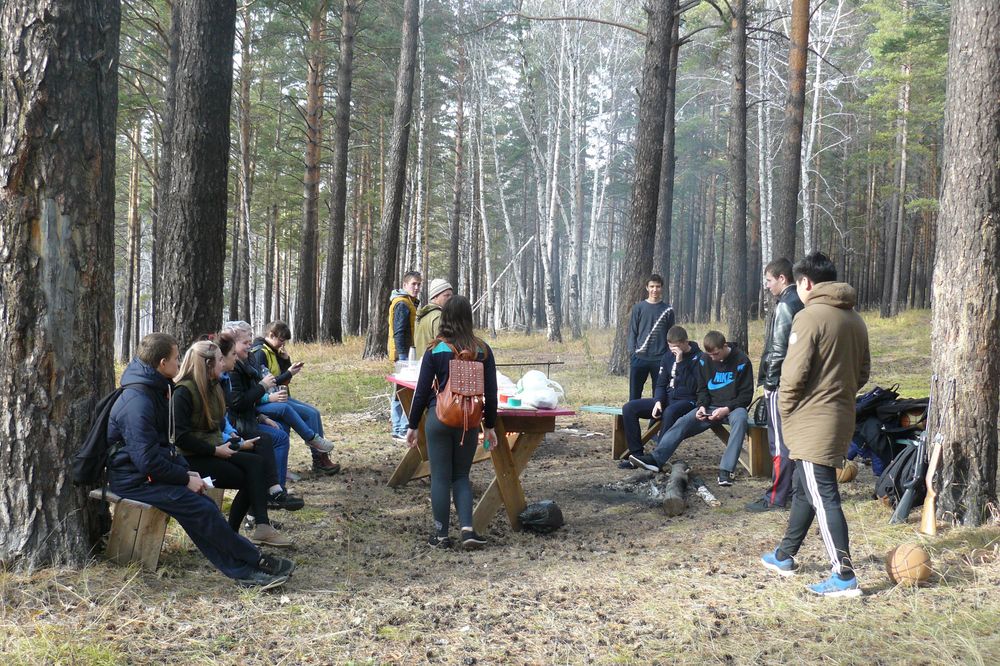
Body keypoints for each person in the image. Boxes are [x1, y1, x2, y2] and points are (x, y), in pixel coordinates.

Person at [106, 333, 294, 589]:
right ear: (162, 363)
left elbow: (163, 447)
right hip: (133, 480)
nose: (179, 361)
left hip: (147, 473)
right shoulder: (138, 402)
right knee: (201, 508)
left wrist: (186, 472)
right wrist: (184, 477)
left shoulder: (154, 390)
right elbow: (147, 459)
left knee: (203, 506)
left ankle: (246, 565)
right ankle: (250, 564)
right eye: (175, 357)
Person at [760, 252, 870, 598]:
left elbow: (792, 376)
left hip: (811, 421)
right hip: (840, 417)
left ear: (805, 282)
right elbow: (863, 373)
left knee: (823, 495)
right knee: (805, 489)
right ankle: (785, 555)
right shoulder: (855, 319)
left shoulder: (808, 317)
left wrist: (787, 411)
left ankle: (843, 574)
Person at [172, 340, 292, 548]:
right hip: (191, 459)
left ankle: (251, 530)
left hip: (213, 450)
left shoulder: (215, 386)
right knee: (252, 475)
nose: (224, 363)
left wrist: (236, 442)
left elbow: (218, 427)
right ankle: (235, 535)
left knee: (257, 464)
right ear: (208, 364)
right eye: (220, 360)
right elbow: (180, 438)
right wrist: (216, 450)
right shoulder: (183, 391)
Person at [405, 295, 498, 550]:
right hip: (468, 422)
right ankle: (467, 530)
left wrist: (412, 425)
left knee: (440, 477)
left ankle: (441, 535)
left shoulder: (436, 349)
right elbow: (491, 393)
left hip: (439, 418)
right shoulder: (482, 350)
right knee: (461, 475)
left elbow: (421, 392)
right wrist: (489, 426)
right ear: (468, 318)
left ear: (445, 318)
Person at [630, 330, 754, 486]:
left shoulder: (742, 361)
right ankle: (656, 459)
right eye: (710, 355)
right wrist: (702, 406)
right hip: (710, 406)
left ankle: (726, 470)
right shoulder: (704, 360)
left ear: (724, 346)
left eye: (716, 354)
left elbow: (746, 395)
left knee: (741, 419)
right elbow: (701, 389)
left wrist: (727, 409)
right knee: (683, 421)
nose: (713, 358)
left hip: (734, 407)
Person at [219, 325, 304, 511]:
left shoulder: (246, 361)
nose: (249, 345)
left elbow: (249, 401)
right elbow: (237, 403)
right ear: (232, 345)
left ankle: (273, 493)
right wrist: (264, 389)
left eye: (250, 341)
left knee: (284, 425)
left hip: (248, 419)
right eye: (245, 342)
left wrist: (261, 417)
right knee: (278, 435)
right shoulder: (233, 369)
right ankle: (275, 491)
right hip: (237, 427)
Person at [746, 258, 805, 512]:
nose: (767, 286)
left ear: (782, 278)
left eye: (769, 280)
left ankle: (776, 497)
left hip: (781, 383)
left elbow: (778, 350)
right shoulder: (802, 301)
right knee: (793, 439)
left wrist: (770, 383)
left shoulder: (785, 305)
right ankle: (794, 490)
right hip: (797, 381)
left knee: (779, 441)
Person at [251, 320, 341, 476]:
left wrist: (286, 360)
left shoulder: (273, 351)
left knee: (314, 413)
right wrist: (289, 372)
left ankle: (320, 458)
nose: (283, 344)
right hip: (269, 399)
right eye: (281, 340)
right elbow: (267, 383)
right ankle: (319, 459)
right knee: (309, 415)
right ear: (271, 335)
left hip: (280, 396)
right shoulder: (260, 353)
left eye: (285, 341)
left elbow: (283, 379)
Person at [618, 326, 701, 469]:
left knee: (670, 412)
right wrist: (657, 401)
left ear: (685, 342)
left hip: (688, 400)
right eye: (670, 346)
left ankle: (657, 458)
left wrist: (680, 362)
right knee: (629, 408)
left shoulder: (699, 358)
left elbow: (693, 385)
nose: (673, 350)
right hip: (668, 398)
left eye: (676, 347)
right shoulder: (667, 357)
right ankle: (636, 455)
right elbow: (661, 384)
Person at [626, 274, 675, 400]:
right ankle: (633, 413)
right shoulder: (638, 308)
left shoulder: (668, 310)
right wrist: (632, 353)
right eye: (652, 286)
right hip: (639, 357)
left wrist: (669, 355)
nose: (655, 290)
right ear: (647, 288)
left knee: (659, 395)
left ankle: (656, 414)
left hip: (660, 358)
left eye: (658, 286)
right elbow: (633, 332)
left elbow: (671, 335)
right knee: (634, 394)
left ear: (662, 288)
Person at [389, 271, 422, 442]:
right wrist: (403, 357)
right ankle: (400, 428)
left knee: (401, 390)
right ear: (405, 285)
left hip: (407, 353)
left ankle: (399, 427)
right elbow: (399, 332)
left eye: (419, 284)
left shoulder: (409, 302)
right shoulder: (402, 303)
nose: (416, 287)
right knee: (404, 391)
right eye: (413, 284)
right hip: (403, 354)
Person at [414, 278, 453, 351]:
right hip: (432, 357)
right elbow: (443, 347)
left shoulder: (423, 314)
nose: (450, 299)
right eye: (447, 295)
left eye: (451, 296)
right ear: (435, 296)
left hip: (420, 357)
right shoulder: (438, 316)